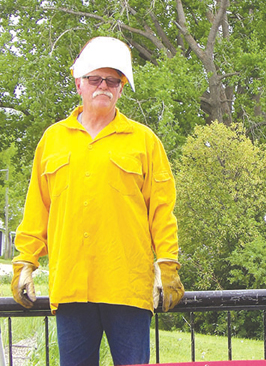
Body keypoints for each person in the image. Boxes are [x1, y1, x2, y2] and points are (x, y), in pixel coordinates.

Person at [11, 36, 184, 366]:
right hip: (72, 288)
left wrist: (167, 264)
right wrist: (24, 262)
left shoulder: (145, 142)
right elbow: (37, 209)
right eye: (95, 79)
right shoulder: (52, 140)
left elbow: (162, 211)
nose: (103, 86)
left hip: (128, 290)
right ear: (79, 83)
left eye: (112, 80)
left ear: (121, 88)